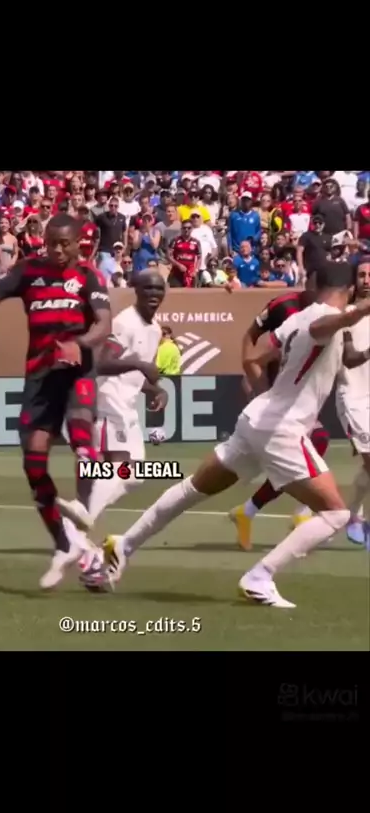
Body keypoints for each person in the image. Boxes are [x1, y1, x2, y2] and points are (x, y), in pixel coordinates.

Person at [98, 261, 370, 608]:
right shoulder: (324, 319)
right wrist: (358, 312)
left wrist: (266, 395)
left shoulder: (297, 318)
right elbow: (323, 327)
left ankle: (124, 544)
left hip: (257, 420)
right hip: (283, 429)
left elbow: (257, 357)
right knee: (336, 514)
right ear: (349, 289)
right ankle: (260, 577)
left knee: (193, 488)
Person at [0, 214, 112, 589]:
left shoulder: (89, 276)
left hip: (76, 371)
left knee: (81, 431)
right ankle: (64, 544)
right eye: (51, 243)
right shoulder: (28, 271)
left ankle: (83, 507)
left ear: (78, 243)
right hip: (40, 377)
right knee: (33, 462)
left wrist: (79, 344)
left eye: (65, 243)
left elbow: (103, 324)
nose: (57, 250)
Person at [58, 269, 166, 547]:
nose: (154, 294)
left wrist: (155, 390)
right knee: (118, 467)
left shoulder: (155, 328)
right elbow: (102, 363)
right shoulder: (125, 323)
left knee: (134, 476)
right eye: (148, 288)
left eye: (159, 289)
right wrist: (139, 364)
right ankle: (78, 526)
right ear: (136, 291)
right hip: (109, 401)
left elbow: (134, 373)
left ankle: (79, 518)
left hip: (127, 405)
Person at [228, 278, 331, 550]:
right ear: (309, 280)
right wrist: (252, 375)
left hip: (302, 392)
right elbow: (250, 337)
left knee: (311, 444)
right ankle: (304, 513)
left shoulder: (332, 312)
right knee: (316, 441)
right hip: (279, 392)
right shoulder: (283, 306)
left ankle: (251, 511)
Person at [335, 258, 370, 544]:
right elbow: (349, 358)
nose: (367, 280)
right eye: (362, 275)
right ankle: (355, 516)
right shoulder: (346, 314)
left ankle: (352, 514)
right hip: (353, 397)